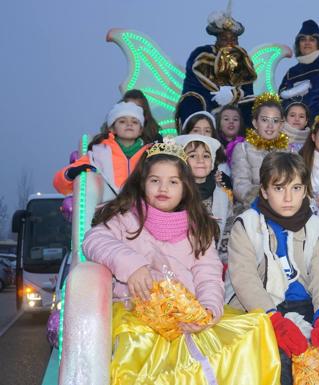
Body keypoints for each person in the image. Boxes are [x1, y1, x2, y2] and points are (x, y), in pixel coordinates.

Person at [82, 142, 280, 384]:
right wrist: (131, 265)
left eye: (173, 182)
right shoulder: (126, 216)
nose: (163, 188)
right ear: (142, 183)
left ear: (185, 188)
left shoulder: (197, 226)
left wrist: (207, 307)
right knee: (145, 355)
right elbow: (94, 239)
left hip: (186, 314)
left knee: (253, 329)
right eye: (155, 180)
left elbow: (207, 272)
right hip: (139, 312)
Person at [225, 152, 319, 385]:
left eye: (296, 188)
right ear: (265, 191)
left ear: (305, 190)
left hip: (305, 304)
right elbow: (245, 280)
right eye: (279, 189)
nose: (289, 198)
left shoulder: (314, 226)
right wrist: (273, 320)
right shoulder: (247, 224)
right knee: (278, 362)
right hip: (260, 309)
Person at [53, 102, 151, 201]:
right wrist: (70, 174)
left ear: (140, 130)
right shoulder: (99, 152)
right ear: (112, 128)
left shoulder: (151, 153)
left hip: (144, 211)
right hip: (108, 211)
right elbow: (60, 184)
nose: (129, 124)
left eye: (135, 122)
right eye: (122, 121)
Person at [178, 5, 256, 127]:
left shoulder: (242, 59)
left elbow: (247, 92)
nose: (230, 43)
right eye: (225, 39)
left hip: (234, 110)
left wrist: (233, 94)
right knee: (190, 101)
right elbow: (195, 86)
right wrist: (218, 93)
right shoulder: (202, 54)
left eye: (234, 39)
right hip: (205, 104)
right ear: (217, 39)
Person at [175, 134, 233, 263]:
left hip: (214, 263)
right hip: (180, 261)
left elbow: (228, 231)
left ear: (212, 162)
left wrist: (223, 264)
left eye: (206, 156)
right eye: (193, 155)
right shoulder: (175, 195)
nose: (200, 160)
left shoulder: (222, 194)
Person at [230, 93, 289, 209]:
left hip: (285, 208)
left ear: (282, 125)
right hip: (253, 210)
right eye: (264, 120)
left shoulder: (289, 152)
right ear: (255, 123)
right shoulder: (243, 149)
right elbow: (240, 186)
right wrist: (266, 200)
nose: (270, 126)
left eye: (275, 121)